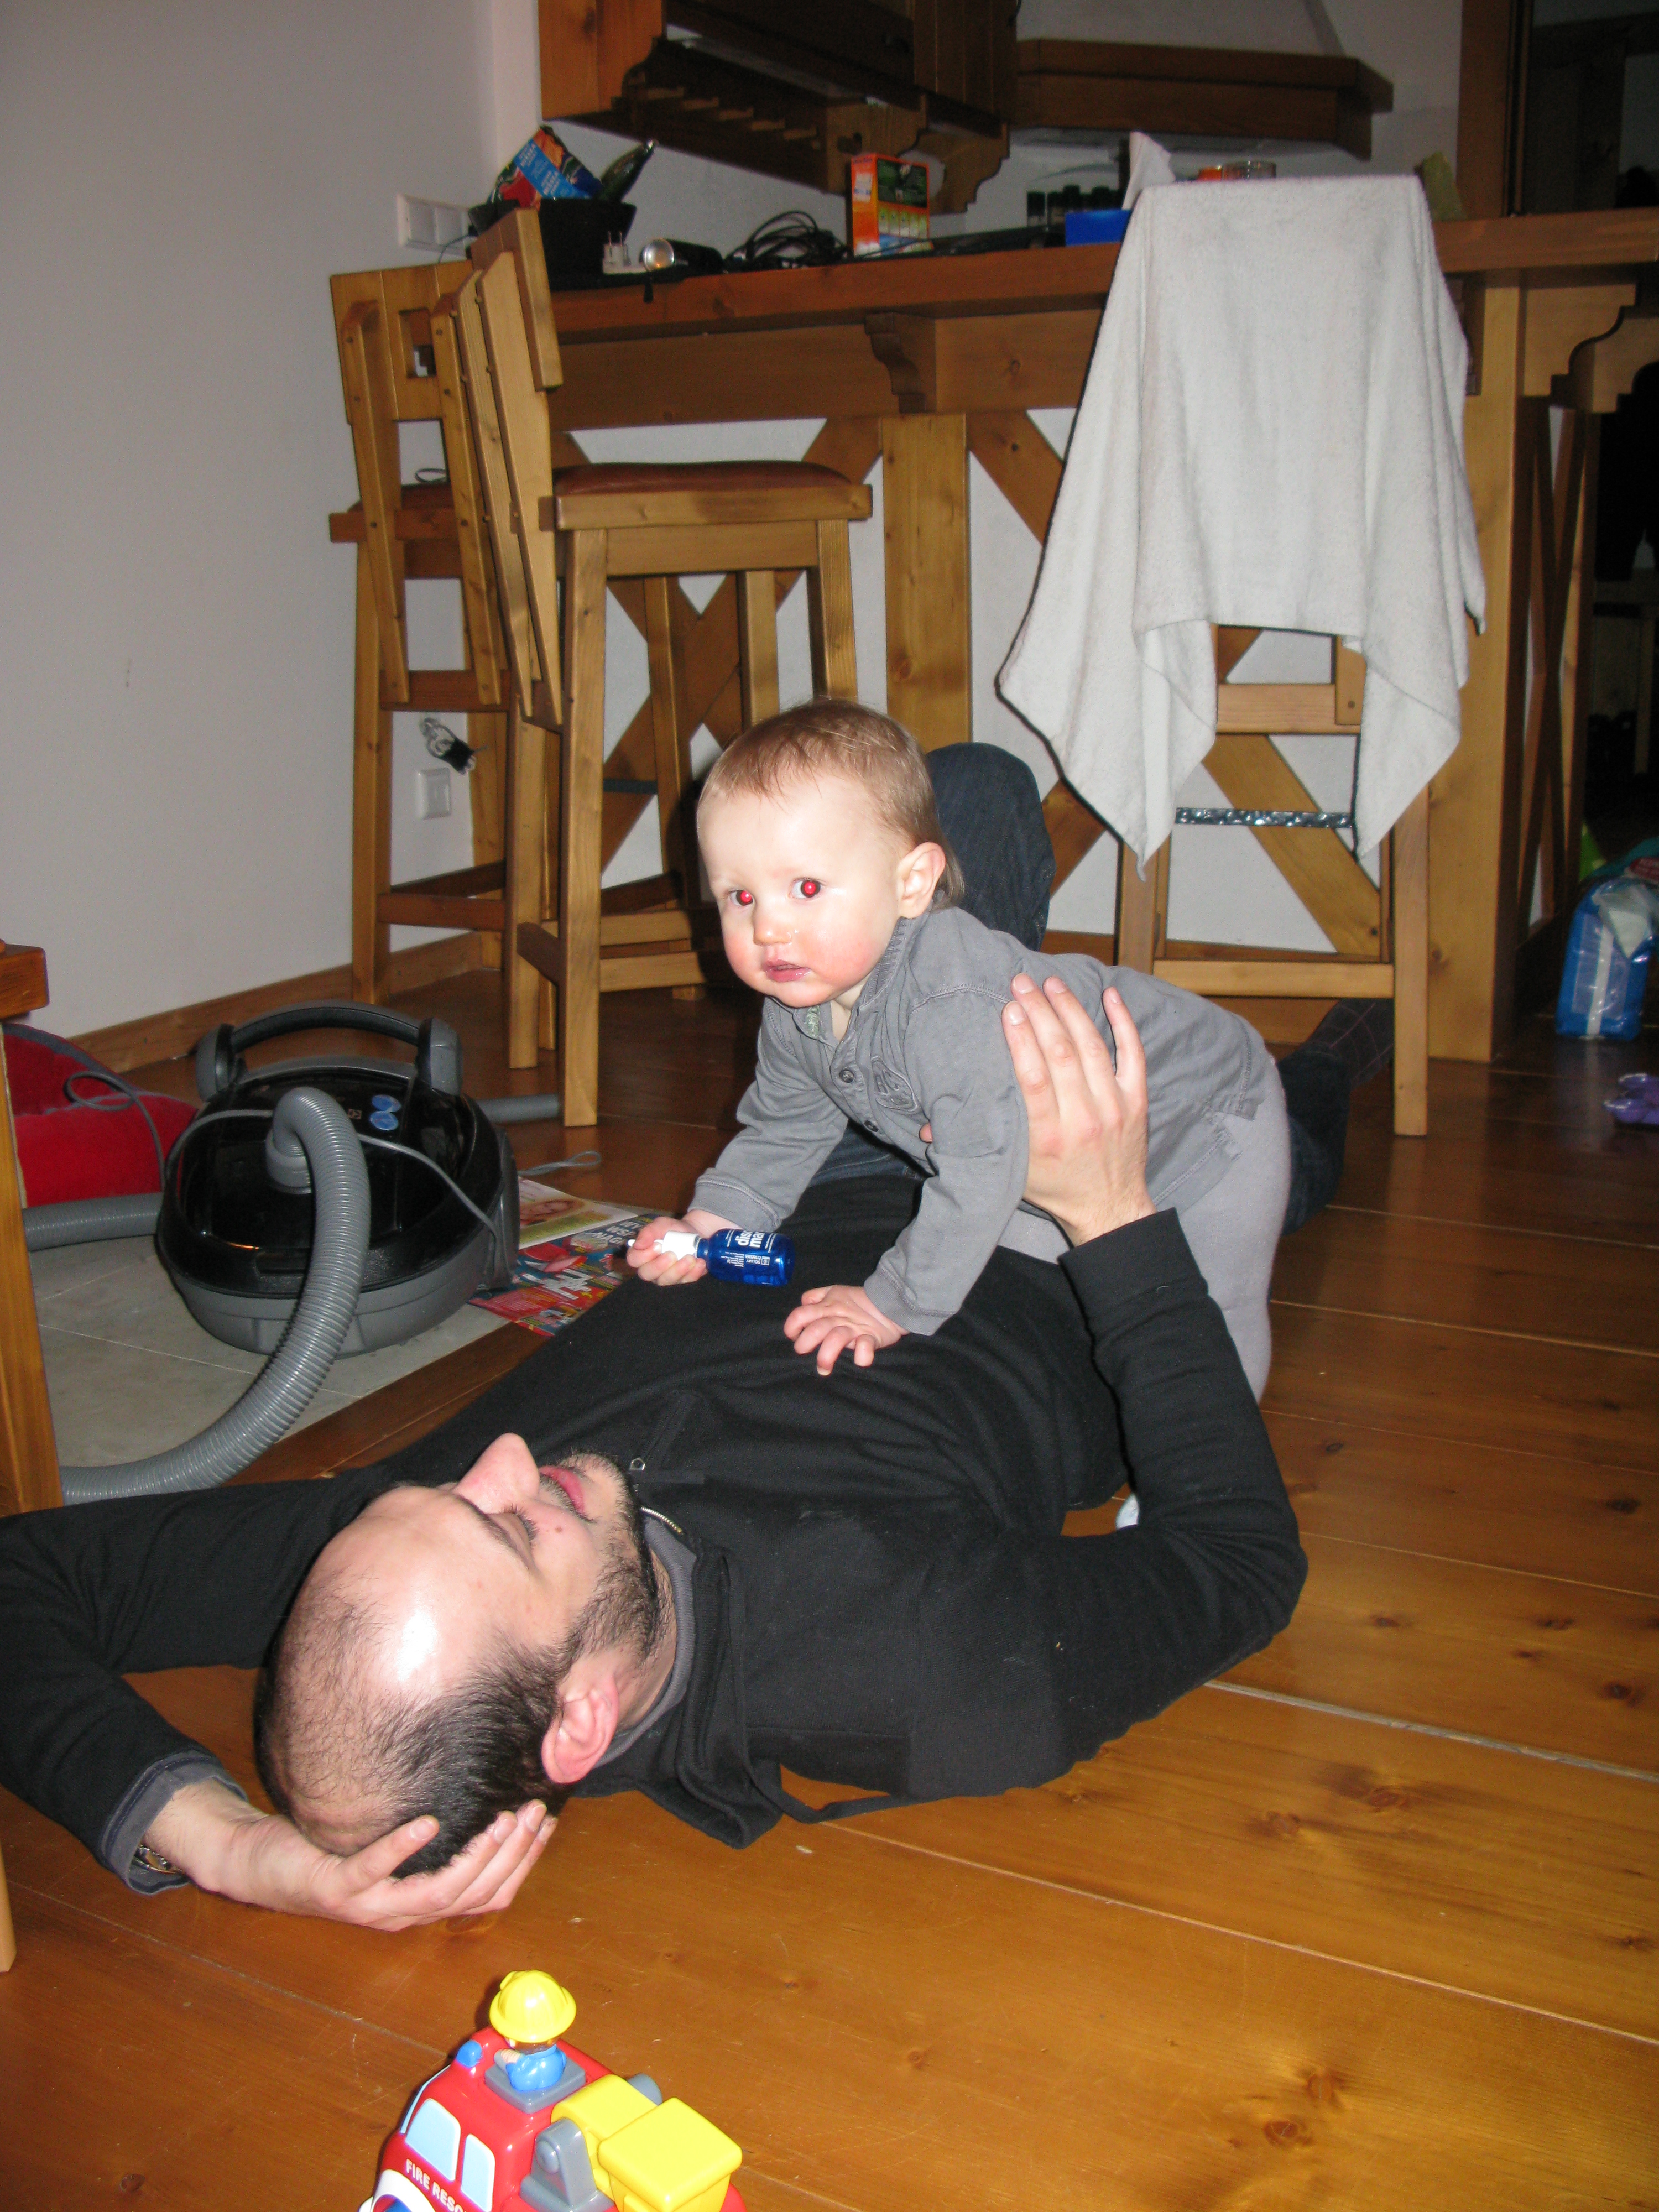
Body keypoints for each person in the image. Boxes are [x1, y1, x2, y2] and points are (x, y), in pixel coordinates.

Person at [0, 971, 1307, 1932]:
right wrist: (1115, 1214)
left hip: (821, 1169)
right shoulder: (919, 1660)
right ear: (582, 1714)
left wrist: (228, 1845)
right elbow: (1240, 1563)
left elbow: (15, 1579)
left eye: (448, 1489)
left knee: (915, 822)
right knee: (1252, 1092)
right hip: (1042, 1247)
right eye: (515, 1524)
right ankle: (1335, 1075)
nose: (502, 1457)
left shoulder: (397, 1569)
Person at [629, 704, 1288, 1391]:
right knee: (1031, 1288)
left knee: (1210, 1306)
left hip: (1203, 1111)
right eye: (740, 896)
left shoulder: (947, 1003)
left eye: (807, 888)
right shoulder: (798, 1004)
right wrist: (708, 1224)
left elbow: (979, 1170)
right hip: (1040, 1157)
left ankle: (1208, 1438)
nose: (768, 928)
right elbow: (784, 1129)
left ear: (912, 883)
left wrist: (890, 1304)